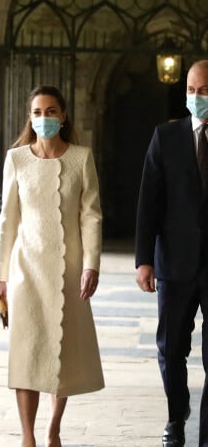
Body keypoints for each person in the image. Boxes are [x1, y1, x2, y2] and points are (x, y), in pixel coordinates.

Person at [0, 85, 104, 447]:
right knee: (27, 351)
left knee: (62, 350)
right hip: (26, 270)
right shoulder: (17, 159)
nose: (44, 118)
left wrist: (91, 265)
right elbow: (7, 220)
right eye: (37, 112)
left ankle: (53, 428)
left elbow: (91, 215)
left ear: (63, 115)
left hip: (69, 272)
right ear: (30, 117)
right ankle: (27, 436)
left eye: (51, 111)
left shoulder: (82, 158)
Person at [135, 59, 208, 447]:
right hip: (174, 263)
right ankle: (176, 418)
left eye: (204, 91)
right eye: (192, 90)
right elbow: (150, 202)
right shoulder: (166, 137)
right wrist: (143, 259)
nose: (197, 97)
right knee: (171, 348)